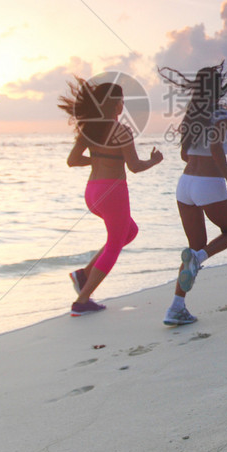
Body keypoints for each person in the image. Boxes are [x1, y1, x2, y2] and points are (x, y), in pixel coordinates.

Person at [59, 78, 163, 316]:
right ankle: (82, 301)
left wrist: (97, 160)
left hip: (93, 192)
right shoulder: (122, 131)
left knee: (130, 232)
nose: (122, 106)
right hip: (113, 193)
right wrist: (154, 161)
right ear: (114, 104)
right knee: (115, 245)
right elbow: (135, 166)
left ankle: (84, 274)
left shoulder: (90, 130)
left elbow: (72, 161)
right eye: (121, 101)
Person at [158, 63, 227, 326]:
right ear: (219, 87)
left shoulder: (192, 115)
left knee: (195, 245)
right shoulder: (222, 113)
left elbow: (184, 154)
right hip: (208, 183)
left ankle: (176, 308)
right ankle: (199, 259)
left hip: (185, 184)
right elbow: (216, 146)